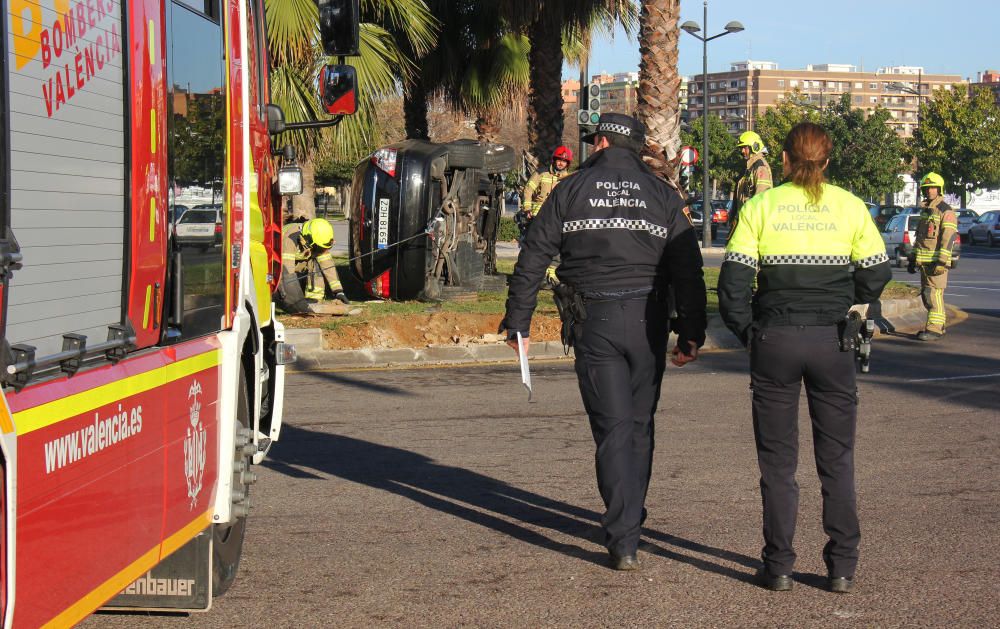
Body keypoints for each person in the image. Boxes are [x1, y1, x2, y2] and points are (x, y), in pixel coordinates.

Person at [501, 113, 707, 571]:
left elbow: (534, 254)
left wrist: (519, 322)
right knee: (639, 424)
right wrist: (691, 331)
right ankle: (630, 521)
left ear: (601, 143)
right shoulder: (662, 195)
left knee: (612, 427)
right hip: (647, 319)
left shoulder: (570, 189)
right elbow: (687, 268)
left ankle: (623, 535)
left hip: (593, 320)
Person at [718, 122, 891, 594]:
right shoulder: (850, 207)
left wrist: (749, 332)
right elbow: (878, 273)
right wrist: (845, 302)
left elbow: (732, 285)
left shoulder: (761, 206)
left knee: (777, 463)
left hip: (775, 338)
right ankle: (842, 567)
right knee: (836, 459)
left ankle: (779, 567)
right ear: (827, 161)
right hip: (831, 340)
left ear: (788, 161)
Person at [907, 172, 958, 341]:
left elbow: (948, 237)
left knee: (933, 295)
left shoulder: (945, 211)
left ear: (940, 189)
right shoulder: (926, 211)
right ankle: (937, 326)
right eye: (927, 188)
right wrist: (913, 257)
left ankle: (934, 329)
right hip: (924, 263)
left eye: (933, 188)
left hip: (937, 264)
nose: (930, 191)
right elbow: (921, 237)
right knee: (927, 295)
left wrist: (942, 261)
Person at [278, 217, 349, 313]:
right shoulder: (289, 240)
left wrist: (338, 291)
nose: (321, 252)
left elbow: (327, 265)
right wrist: (296, 303)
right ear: (309, 240)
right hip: (280, 267)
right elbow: (287, 273)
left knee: (316, 263)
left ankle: (314, 301)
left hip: (300, 265)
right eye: (319, 248)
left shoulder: (317, 241)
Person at [517, 145, 574, 235]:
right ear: (554, 160)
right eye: (559, 160)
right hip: (537, 217)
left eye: (564, 161)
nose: (561, 163)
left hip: (557, 218)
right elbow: (528, 190)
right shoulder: (541, 173)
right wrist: (527, 209)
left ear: (567, 163)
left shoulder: (568, 179)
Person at [729, 131, 773, 232]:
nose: (742, 151)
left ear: (755, 146)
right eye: (741, 148)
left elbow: (761, 197)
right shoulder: (749, 167)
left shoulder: (760, 167)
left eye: (745, 148)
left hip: (752, 225)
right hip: (745, 222)